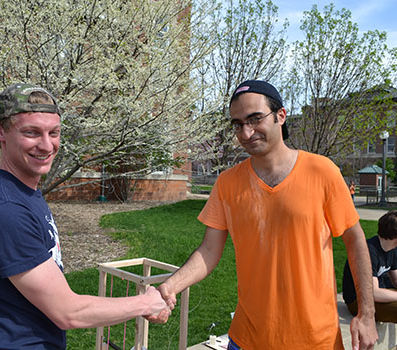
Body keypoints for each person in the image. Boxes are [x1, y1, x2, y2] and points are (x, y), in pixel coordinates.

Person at [150, 80, 378, 350]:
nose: (246, 133)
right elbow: (209, 250)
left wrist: (367, 314)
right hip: (247, 339)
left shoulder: (322, 171)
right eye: (237, 124)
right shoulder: (227, 183)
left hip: (316, 340)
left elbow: (355, 240)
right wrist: (171, 285)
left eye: (255, 119)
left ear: (281, 115)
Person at [0, 83, 170, 349]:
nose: (46, 145)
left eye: (54, 132)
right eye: (31, 132)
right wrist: (145, 302)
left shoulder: (23, 192)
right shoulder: (4, 210)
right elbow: (68, 311)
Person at [343, 210, 397, 323]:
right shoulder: (368, 251)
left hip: (377, 294)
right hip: (358, 301)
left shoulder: (392, 250)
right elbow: (373, 293)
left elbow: (396, 279)